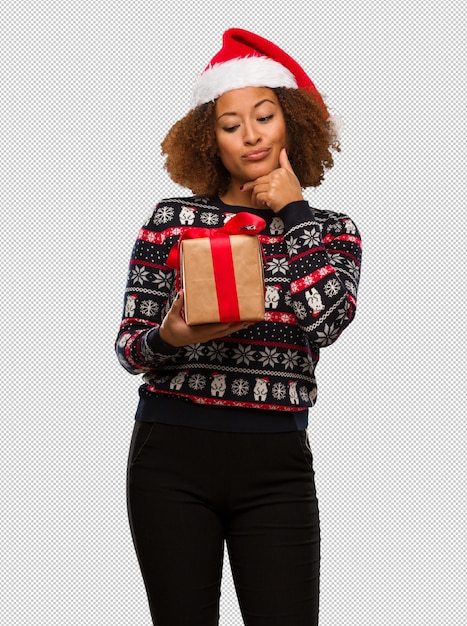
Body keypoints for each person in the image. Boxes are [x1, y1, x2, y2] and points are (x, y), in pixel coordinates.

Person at [115, 28, 362, 626]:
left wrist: (294, 210)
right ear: (210, 140)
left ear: (292, 124)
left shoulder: (331, 231)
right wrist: (169, 337)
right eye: (231, 124)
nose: (250, 135)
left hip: (275, 465)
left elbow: (327, 320)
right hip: (170, 456)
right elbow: (129, 348)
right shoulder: (173, 221)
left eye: (264, 116)